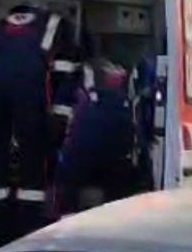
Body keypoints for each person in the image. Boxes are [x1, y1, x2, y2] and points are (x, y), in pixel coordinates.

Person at [0, 4, 83, 252]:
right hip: (32, 104)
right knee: (33, 169)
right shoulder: (55, 26)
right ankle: (28, 233)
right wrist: (60, 116)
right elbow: (67, 77)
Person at [55, 59, 136, 215]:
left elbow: (60, 119)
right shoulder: (125, 96)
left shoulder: (76, 83)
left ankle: (68, 217)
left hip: (80, 157)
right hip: (114, 159)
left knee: (69, 189)